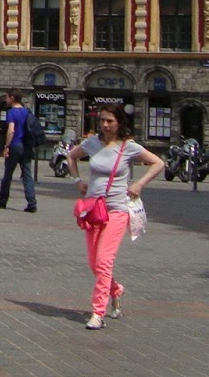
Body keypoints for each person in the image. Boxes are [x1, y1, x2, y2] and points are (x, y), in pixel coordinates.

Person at [68, 105, 165, 329]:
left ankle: (98, 313)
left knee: (103, 260)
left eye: (110, 121)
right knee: (94, 263)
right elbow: (71, 157)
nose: (105, 125)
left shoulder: (128, 147)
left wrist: (139, 184)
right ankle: (115, 290)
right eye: (102, 120)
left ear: (119, 122)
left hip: (117, 210)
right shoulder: (92, 143)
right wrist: (77, 181)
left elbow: (158, 163)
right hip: (93, 209)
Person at [0, 90, 37, 212]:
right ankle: (32, 202)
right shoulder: (27, 111)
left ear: (12, 98)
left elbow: (11, 130)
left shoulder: (11, 112)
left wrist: (6, 146)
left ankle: (2, 199)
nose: (6, 99)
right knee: (27, 174)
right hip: (26, 146)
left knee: (8, 173)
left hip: (15, 145)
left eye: (7, 97)